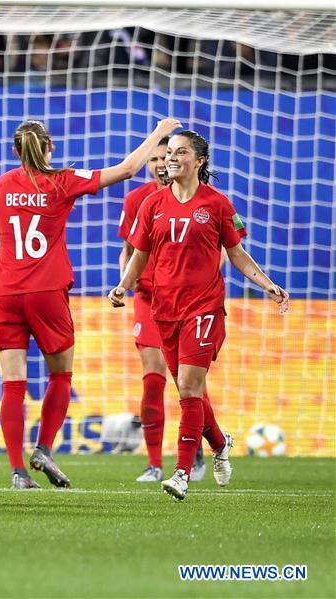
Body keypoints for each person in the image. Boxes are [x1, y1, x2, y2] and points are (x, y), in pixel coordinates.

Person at [0, 117, 181, 490]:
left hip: (5, 294)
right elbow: (126, 169)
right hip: (45, 293)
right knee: (60, 375)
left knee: (13, 383)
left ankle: (17, 473)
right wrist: (157, 133)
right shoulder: (62, 181)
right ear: (50, 148)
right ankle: (42, 448)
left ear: (16, 151)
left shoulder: (2, 185)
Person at [110, 130, 289, 501]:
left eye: (180, 152)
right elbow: (139, 253)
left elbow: (237, 253)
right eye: (169, 152)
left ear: (199, 161)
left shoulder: (218, 204)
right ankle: (220, 443)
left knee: (190, 389)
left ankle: (181, 473)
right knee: (189, 391)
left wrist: (267, 284)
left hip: (204, 307)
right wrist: (124, 285)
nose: (171, 158)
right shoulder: (152, 204)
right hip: (164, 309)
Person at [118, 137, 207, 483]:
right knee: (153, 376)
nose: (159, 163)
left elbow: (216, 251)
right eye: (155, 157)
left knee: (189, 380)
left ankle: (199, 447)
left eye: (166, 155)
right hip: (148, 297)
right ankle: (154, 463)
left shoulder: (204, 201)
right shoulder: (137, 200)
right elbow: (130, 250)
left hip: (190, 300)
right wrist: (123, 284)